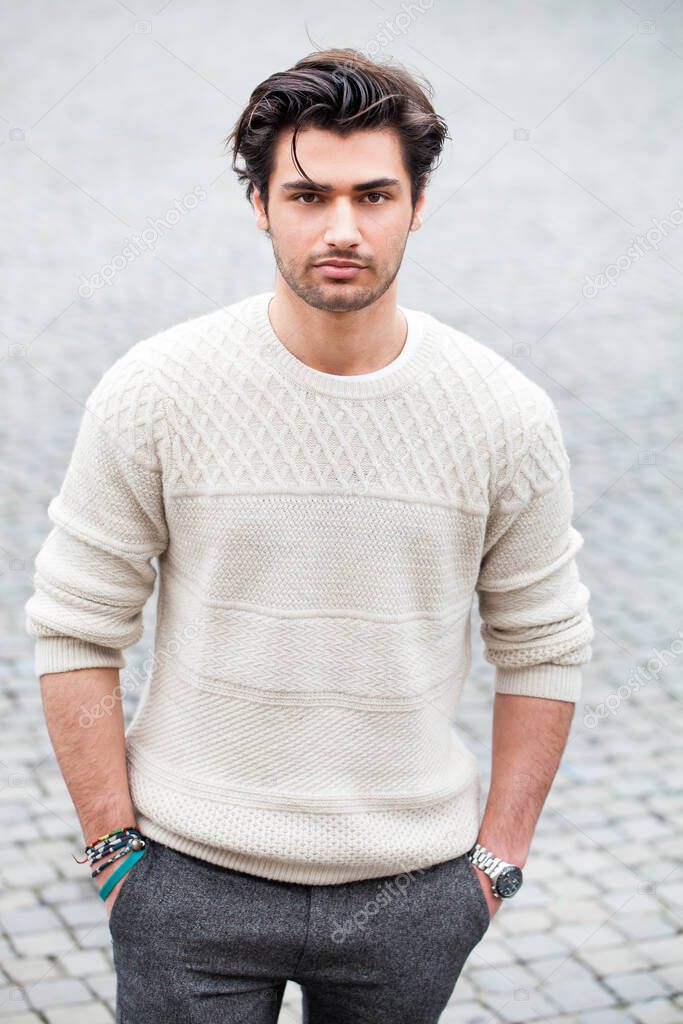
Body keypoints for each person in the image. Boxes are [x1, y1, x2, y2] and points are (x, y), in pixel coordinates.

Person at [24, 46, 594, 1024]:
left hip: (408, 895)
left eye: (373, 195)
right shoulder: (156, 390)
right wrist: (115, 850)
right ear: (258, 204)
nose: (340, 228)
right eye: (305, 195)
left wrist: (494, 862)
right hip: (188, 885)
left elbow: (542, 643)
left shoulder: (503, 415)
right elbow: (77, 626)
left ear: (418, 204)